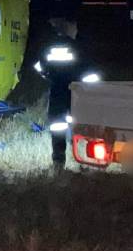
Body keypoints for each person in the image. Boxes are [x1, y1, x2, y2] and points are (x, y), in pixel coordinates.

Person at [36, 18, 97, 167]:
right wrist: (90, 89)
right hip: (76, 93)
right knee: (80, 124)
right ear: (69, 28)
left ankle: (58, 160)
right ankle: (83, 160)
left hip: (57, 91)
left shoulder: (48, 47)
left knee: (57, 125)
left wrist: (49, 76)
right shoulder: (77, 46)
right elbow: (87, 70)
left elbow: (38, 66)